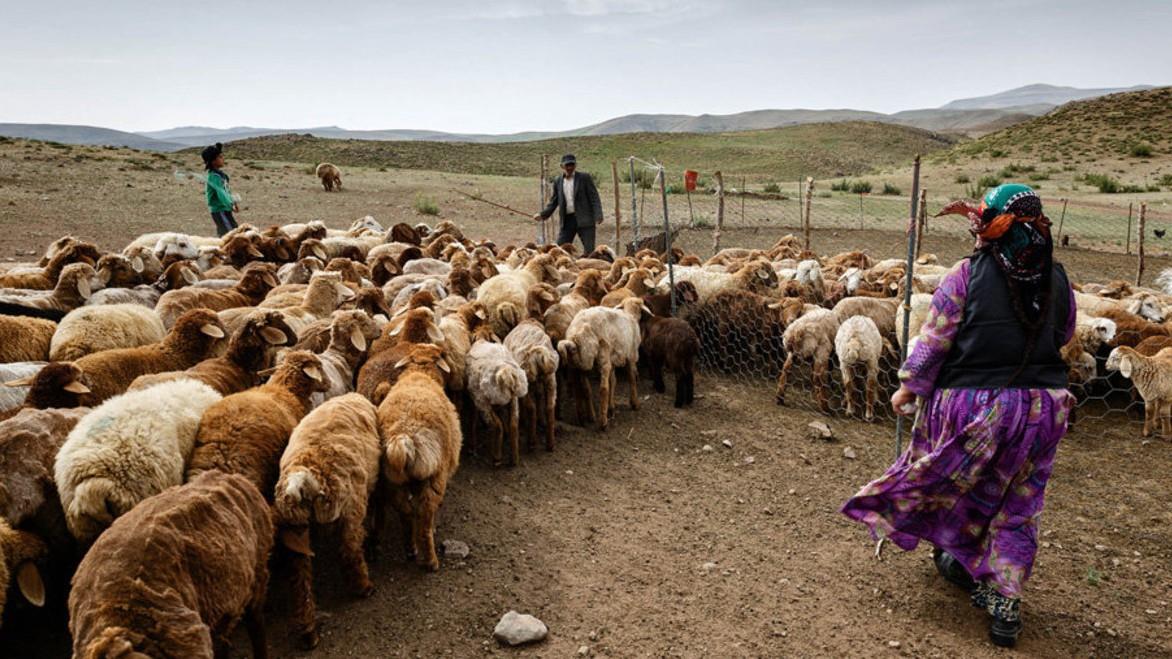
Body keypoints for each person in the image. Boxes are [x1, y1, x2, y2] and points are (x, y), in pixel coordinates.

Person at [841, 184, 1075, 648]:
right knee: (1018, 503)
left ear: (986, 226)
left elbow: (936, 338)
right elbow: (1064, 334)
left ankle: (957, 558)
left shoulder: (966, 275)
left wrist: (909, 385)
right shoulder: (1059, 277)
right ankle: (1004, 598)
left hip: (976, 404)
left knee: (953, 484)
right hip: (1043, 408)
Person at [533, 154, 603, 253]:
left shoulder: (584, 178)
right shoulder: (558, 181)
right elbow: (554, 202)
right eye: (567, 165)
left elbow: (594, 197)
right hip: (567, 220)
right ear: (562, 166)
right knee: (559, 250)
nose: (569, 167)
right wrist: (542, 215)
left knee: (589, 251)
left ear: (575, 165)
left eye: (572, 165)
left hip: (585, 219)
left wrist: (598, 214)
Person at [201, 142, 239, 237]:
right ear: (213, 161)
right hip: (219, 210)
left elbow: (226, 191)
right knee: (231, 234)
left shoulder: (219, 175)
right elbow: (221, 193)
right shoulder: (214, 177)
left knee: (228, 231)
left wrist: (233, 202)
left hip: (224, 208)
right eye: (220, 157)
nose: (223, 159)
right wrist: (230, 204)